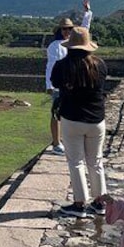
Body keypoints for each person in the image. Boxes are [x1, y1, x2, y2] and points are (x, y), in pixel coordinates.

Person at [50, 26, 108, 218]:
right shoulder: (100, 65)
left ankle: (79, 203)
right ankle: (100, 202)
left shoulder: (62, 66)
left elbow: (55, 82)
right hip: (96, 119)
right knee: (96, 161)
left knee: (76, 162)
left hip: (72, 118)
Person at [45, 18, 74, 155]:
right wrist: (49, 85)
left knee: (68, 114)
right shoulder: (55, 46)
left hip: (72, 84)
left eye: (69, 29)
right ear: (59, 30)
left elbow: (85, 31)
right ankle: (56, 143)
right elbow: (50, 67)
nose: (67, 31)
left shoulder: (73, 43)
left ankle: (63, 140)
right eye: (64, 29)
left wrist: (88, 13)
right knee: (56, 113)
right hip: (60, 84)